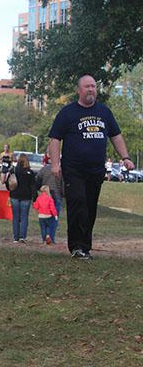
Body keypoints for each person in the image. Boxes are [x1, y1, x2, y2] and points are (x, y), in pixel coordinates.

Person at [49, 74, 135, 259]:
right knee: (77, 203)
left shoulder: (104, 112)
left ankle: (85, 247)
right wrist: (55, 164)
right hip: (73, 169)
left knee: (90, 207)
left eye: (93, 86)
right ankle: (76, 246)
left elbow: (116, 136)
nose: (91, 90)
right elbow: (55, 138)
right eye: (87, 86)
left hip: (96, 170)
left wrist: (126, 157)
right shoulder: (67, 113)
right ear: (79, 90)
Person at [6, 153, 37, 243]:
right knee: (24, 217)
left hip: (14, 195)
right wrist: (34, 197)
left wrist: (10, 190)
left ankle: (16, 237)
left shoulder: (14, 170)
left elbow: (8, 183)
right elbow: (33, 186)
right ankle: (22, 236)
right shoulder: (30, 172)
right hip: (26, 196)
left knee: (15, 217)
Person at [35, 153, 63, 218]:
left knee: (45, 216)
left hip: (45, 194)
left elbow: (37, 179)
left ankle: (45, 228)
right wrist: (63, 194)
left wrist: (39, 188)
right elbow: (63, 183)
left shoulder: (44, 169)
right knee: (55, 216)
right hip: (57, 194)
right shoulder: (60, 170)